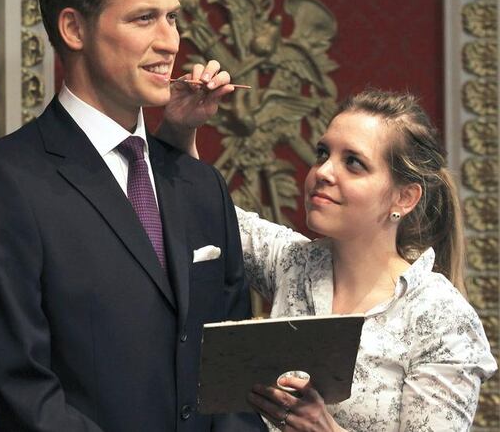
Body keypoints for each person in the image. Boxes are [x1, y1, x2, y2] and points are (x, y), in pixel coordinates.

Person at [0, 0, 264, 431]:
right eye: (144, 19)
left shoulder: (201, 186)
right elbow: (23, 391)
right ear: (74, 29)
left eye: (172, 18)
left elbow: (232, 378)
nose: (170, 42)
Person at [158, 82, 497, 431]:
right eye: (323, 153)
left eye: (353, 163)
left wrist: (325, 429)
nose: (322, 172)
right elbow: (206, 208)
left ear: (404, 198)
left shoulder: (441, 316)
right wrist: (181, 126)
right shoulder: (292, 262)